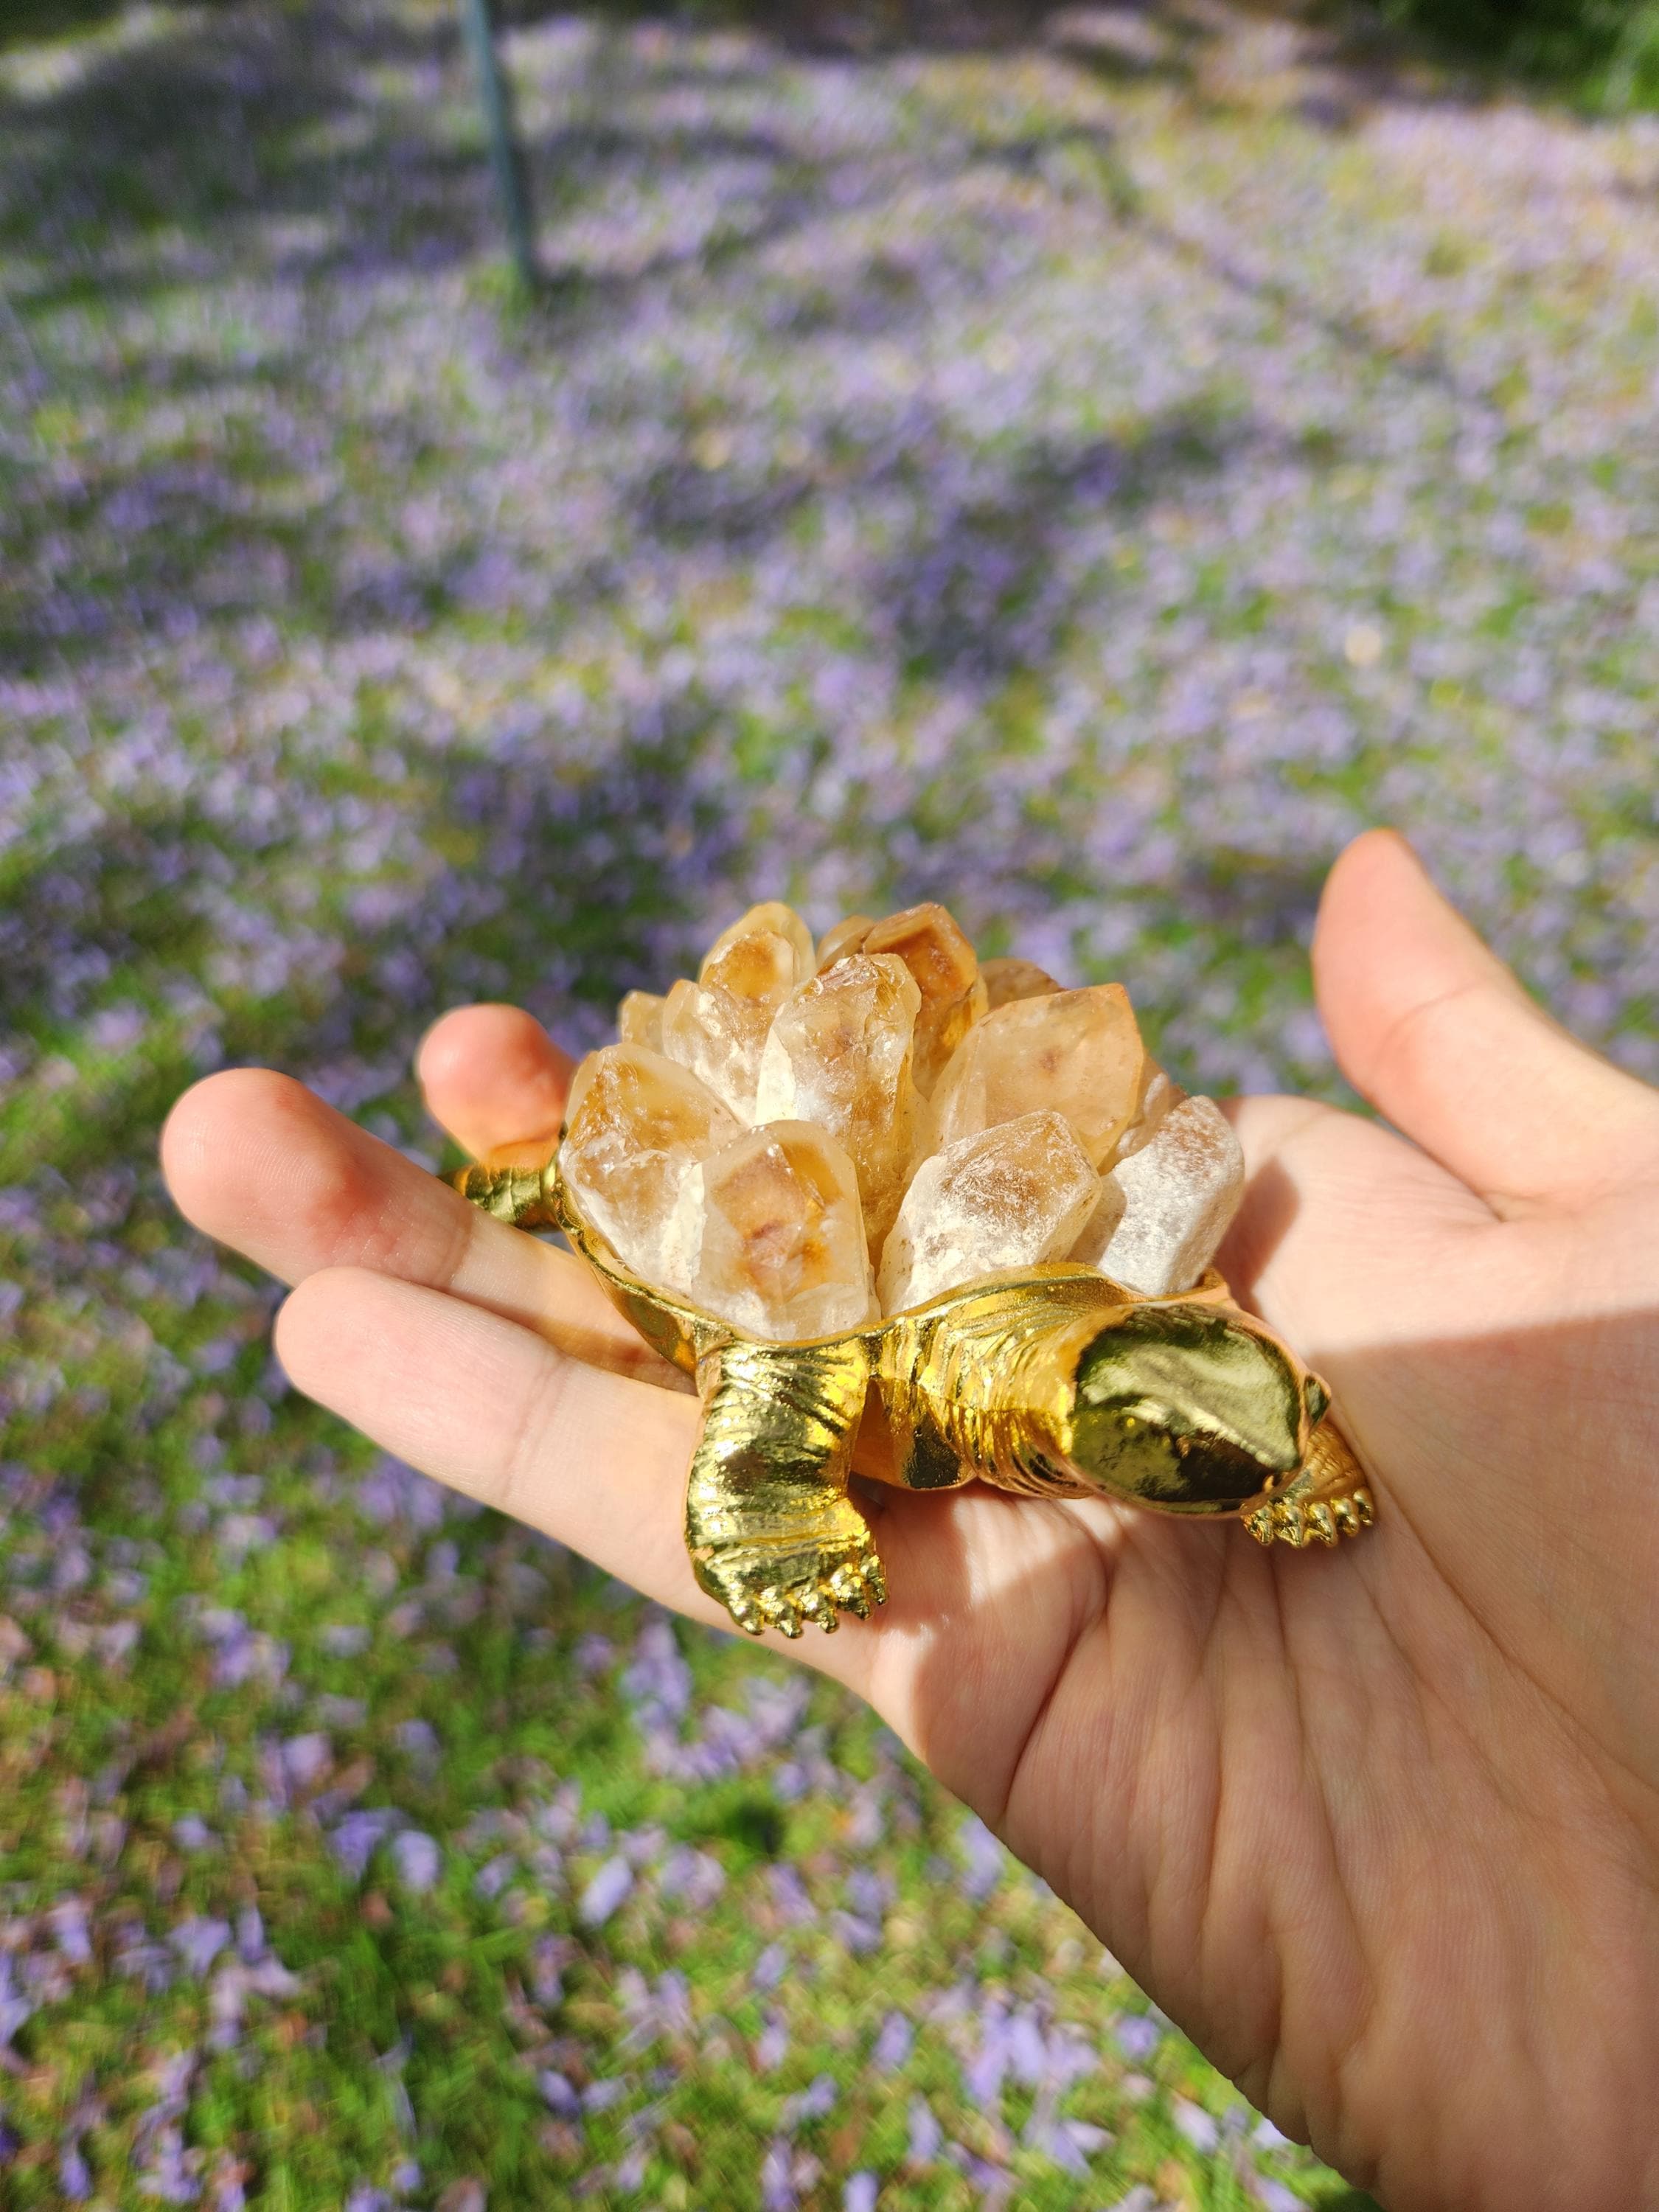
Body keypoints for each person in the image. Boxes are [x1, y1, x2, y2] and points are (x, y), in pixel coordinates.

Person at [160, 829, 1659, 2212]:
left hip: (1013, 1252)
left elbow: (1213, 1378)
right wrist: (771, 1506)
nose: (1253, 1424)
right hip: (733, 1194)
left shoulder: (1142, 1329)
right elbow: (783, 1349)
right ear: (1048, 1423)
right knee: (793, 1321)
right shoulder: (850, 1362)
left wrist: (1293, 1457)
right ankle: (546, 1180)